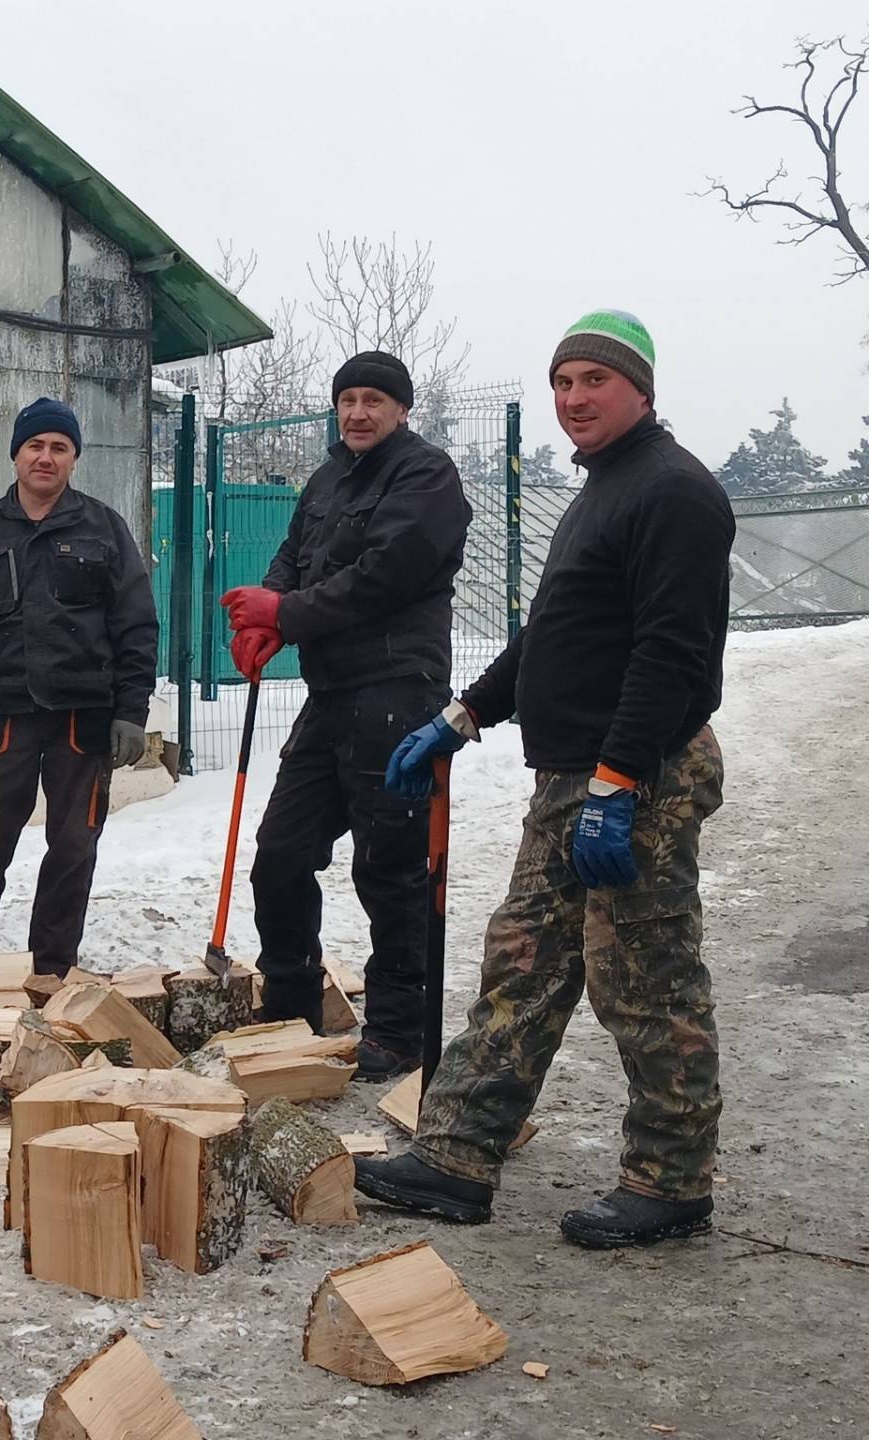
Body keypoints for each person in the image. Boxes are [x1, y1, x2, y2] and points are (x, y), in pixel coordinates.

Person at [354, 310, 735, 1250]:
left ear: (639, 387)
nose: (573, 400)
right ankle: (455, 1158)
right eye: (562, 383)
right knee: (523, 964)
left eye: (593, 382)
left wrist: (618, 778)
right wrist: (465, 714)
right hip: (574, 775)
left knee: (645, 979)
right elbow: (553, 636)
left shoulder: (675, 493)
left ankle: (672, 1179)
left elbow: (671, 651)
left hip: (637, 775)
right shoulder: (603, 489)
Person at [220, 351, 470, 1080]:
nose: (358, 412)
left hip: (397, 691)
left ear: (401, 410)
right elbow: (292, 557)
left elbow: (386, 576)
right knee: (281, 852)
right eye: (348, 399)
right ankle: (292, 1006)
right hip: (331, 695)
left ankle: (399, 1029)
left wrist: (288, 614)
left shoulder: (427, 477)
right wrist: (264, 619)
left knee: (389, 867)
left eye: (374, 401)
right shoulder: (328, 479)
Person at [0, 397, 159, 977]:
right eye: (35, 446)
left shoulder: (105, 529)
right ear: (17, 454)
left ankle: (51, 971)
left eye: (59, 447)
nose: (45, 457)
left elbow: (136, 624)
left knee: (73, 848)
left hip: (85, 718)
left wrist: (131, 710)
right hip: (5, 717)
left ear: (74, 458)